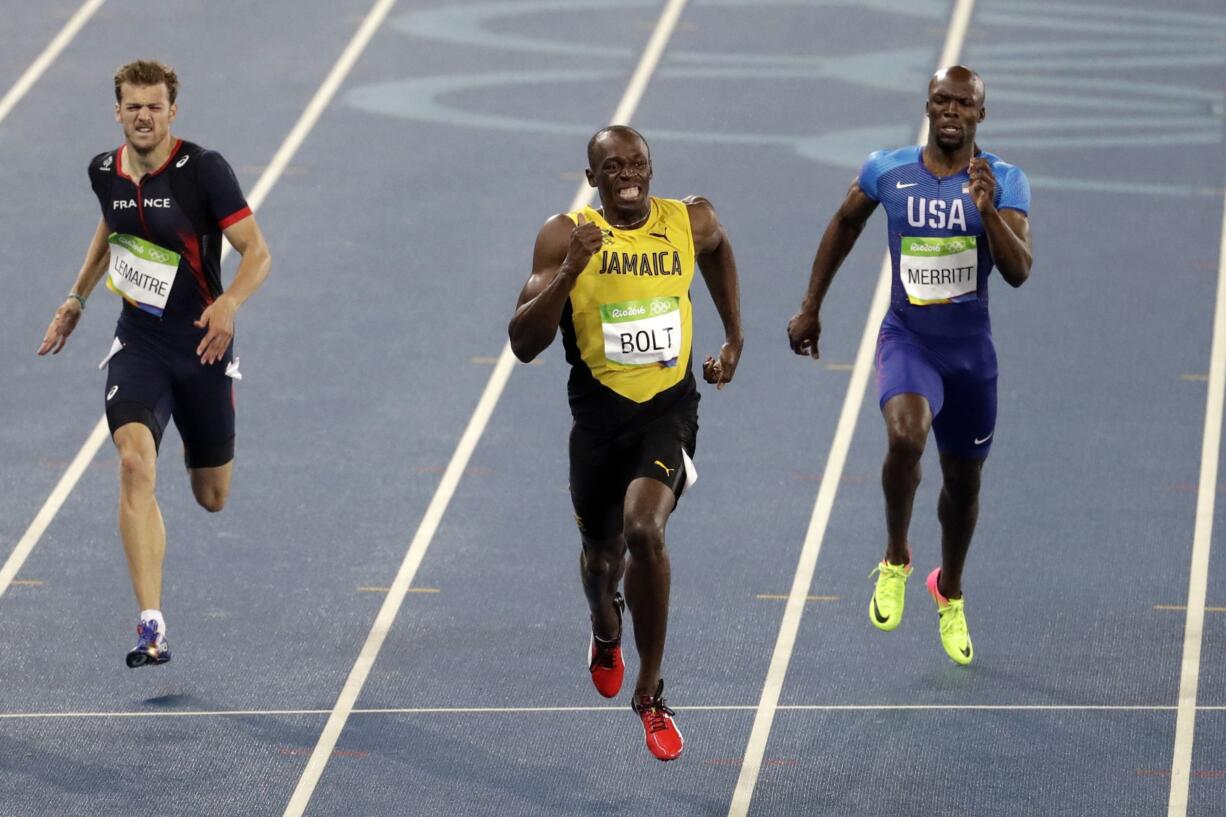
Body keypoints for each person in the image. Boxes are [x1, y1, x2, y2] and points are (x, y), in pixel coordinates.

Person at [509, 126, 743, 760]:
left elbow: (719, 250)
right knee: (599, 558)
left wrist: (732, 338)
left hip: (668, 411)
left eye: (638, 163)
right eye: (612, 167)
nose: (628, 174)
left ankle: (650, 691)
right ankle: (605, 626)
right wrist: (567, 273)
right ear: (593, 179)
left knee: (646, 529)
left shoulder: (688, 220)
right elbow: (523, 343)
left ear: (652, 168)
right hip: (597, 421)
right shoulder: (564, 235)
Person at [787, 66, 1032, 665]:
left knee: (963, 486)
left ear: (981, 113)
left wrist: (988, 211)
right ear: (927, 106)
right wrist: (811, 307)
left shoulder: (1002, 179)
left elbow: (1019, 269)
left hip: (971, 356)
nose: (951, 111)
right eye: (941, 101)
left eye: (963, 103)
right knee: (904, 436)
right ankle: (896, 557)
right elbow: (845, 223)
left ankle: (949, 589)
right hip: (909, 340)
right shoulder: (887, 170)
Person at [37, 60, 271, 668]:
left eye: (155, 106)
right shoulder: (102, 171)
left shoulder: (204, 171)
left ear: (172, 111)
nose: (144, 116)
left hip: (202, 348)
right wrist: (75, 298)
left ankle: (212, 429)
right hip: (138, 345)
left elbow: (258, 253)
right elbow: (111, 228)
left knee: (211, 496)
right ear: (117, 111)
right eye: (133, 106)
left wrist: (228, 302)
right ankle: (151, 623)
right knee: (134, 462)